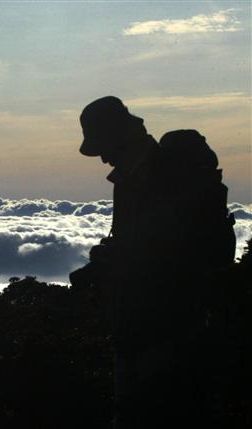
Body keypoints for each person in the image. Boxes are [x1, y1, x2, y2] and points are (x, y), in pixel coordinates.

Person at [69, 96, 235, 428]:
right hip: (139, 333)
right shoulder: (133, 176)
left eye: (102, 145)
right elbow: (141, 241)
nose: (101, 157)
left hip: (163, 333)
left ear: (118, 135)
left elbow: (161, 252)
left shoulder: (160, 176)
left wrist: (111, 262)